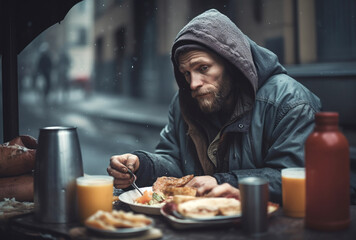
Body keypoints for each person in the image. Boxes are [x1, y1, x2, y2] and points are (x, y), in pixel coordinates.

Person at [107, 9, 321, 203]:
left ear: (233, 64)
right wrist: (141, 165)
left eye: (203, 68)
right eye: (186, 73)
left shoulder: (291, 102)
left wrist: (224, 182)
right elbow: (176, 162)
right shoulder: (183, 102)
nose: (193, 84)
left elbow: (297, 176)